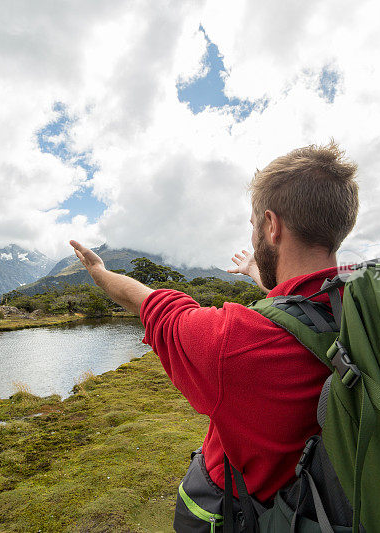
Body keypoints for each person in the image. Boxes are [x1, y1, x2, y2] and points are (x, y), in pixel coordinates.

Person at [69, 141, 359, 527]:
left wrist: (100, 274)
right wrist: (262, 275)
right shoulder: (364, 309)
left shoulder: (232, 342)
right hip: (330, 504)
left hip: (247, 512)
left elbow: (153, 305)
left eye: (255, 225)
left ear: (272, 226)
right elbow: (303, 308)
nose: (254, 234)